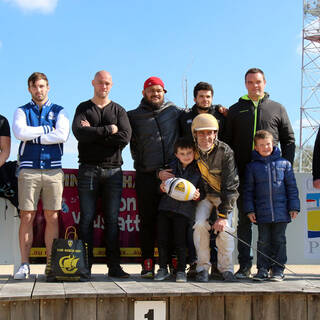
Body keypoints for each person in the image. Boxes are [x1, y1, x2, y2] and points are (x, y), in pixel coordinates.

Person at [225, 68, 295, 279]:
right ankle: (245, 266)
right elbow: (226, 143)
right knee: (244, 221)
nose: (255, 85)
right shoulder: (235, 110)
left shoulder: (277, 108)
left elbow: (289, 139)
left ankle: (273, 268)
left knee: (272, 226)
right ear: (245, 84)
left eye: (258, 82)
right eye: (250, 82)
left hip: (271, 177)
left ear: (265, 83)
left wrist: (285, 167)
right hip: (243, 176)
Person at [72, 70, 131, 278]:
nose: (103, 86)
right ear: (93, 83)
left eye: (107, 83)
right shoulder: (83, 108)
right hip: (88, 170)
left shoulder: (119, 110)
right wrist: (109, 130)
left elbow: (124, 138)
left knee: (112, 220)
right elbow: (79, 133)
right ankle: (84, 266)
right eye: (100, 83)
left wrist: (94, 132)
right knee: (86, 219)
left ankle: (114, 266)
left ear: (112, 85)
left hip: (114, 172)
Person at [12, 72, 70, 279]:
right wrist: (46, 130)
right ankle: (24, 264)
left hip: (53, 169)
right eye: (35, 86)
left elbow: (62, 135)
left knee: (52, 216)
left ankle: (50, 264)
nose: (39, 90)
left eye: (42, 86)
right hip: (28, 169)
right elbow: (19, 132)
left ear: (48, 87)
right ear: (29, 88)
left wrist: (34, 134)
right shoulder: (21, 110)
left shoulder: (59, 111)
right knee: (26, 215)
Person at [128, 76, 183, 278]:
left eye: (159, 90)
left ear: (164, 92)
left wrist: (220, 109)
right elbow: (127, 140)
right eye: (151, 90)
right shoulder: (133, 116)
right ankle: (147, 262)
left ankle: (171, 262)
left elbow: (196, 116)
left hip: (172, 175)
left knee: (173, 220)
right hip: (146, 175)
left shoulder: (174, 111)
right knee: (148, 221)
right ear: (144, 93)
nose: (155, 94)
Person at [179, 81, 227, 278]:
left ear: (212, 98)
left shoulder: (220, 115)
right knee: (195, 223)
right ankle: (195, 262)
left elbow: (225, 142)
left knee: (217, 223)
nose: (204, 99)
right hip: (193, 174)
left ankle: (216, 264)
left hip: (216, 178)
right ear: (194, 98)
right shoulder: (185, 117)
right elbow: (181, 141)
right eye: (201, 96)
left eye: (208, 96)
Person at [243, 130, 300, 281]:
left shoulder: (285, 164)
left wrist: (294, 207)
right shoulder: (252, 167)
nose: (265, 147)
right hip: (262, 213)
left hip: (282, 213)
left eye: (268, 144)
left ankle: (278, 270)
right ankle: (262, 269)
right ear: (256, 148)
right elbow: (248, 191)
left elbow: (292, 188)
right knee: (263, 241)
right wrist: (249, 210)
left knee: (279, 240)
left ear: (273, 144)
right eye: (261, 145)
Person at [191, 113, 239, 282]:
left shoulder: (225, 151)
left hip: (223, 196)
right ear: (194, 134)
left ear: (216, 133)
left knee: (225, 229)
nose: (206, 137)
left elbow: (231, 186)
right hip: (203, 197)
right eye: (201, 133)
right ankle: (202, 268)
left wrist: (223, 215)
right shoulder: (191, 150)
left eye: (210, 132)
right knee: (199, 226)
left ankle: (226, 269)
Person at [155, 138, 204, 283]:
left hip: (183, 212)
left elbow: (203, 192)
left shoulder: (198, 170)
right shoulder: (169, 168)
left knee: (180, 242)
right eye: (182, 153)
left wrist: (198, 196)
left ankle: (181, 271)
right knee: (163, 241)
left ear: (194, 153)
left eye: (189, 153)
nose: (186, 156)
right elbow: (159, 188)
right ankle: (163, 268)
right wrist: (161, 188)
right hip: (165, 209)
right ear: (176, 154)